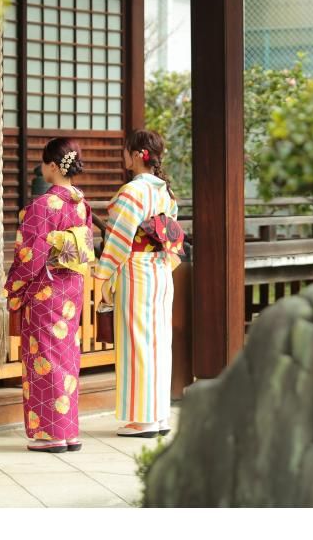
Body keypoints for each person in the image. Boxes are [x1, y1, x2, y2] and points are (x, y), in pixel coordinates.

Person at [4, 138, 94, 452]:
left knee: (44, 357)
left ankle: (50, 433)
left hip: (46, 290)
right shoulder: (80, 203)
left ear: (52, 166)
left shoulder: (43, 205)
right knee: (66, 357)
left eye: (44, 163)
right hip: (72, 289)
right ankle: (68, 431)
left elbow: (30, 256)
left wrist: (12, 290)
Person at [94, 129, 184, 437]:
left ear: (135, 155)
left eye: (125, 151)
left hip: (136, 270)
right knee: (159, 341)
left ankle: (143, 418)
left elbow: (119, 237)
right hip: (160, 268)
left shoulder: (133, 191)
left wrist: (103, 274)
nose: (123, 157)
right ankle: (159, 416)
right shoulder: (165, 192)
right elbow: (172, 235)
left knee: (138, 342)